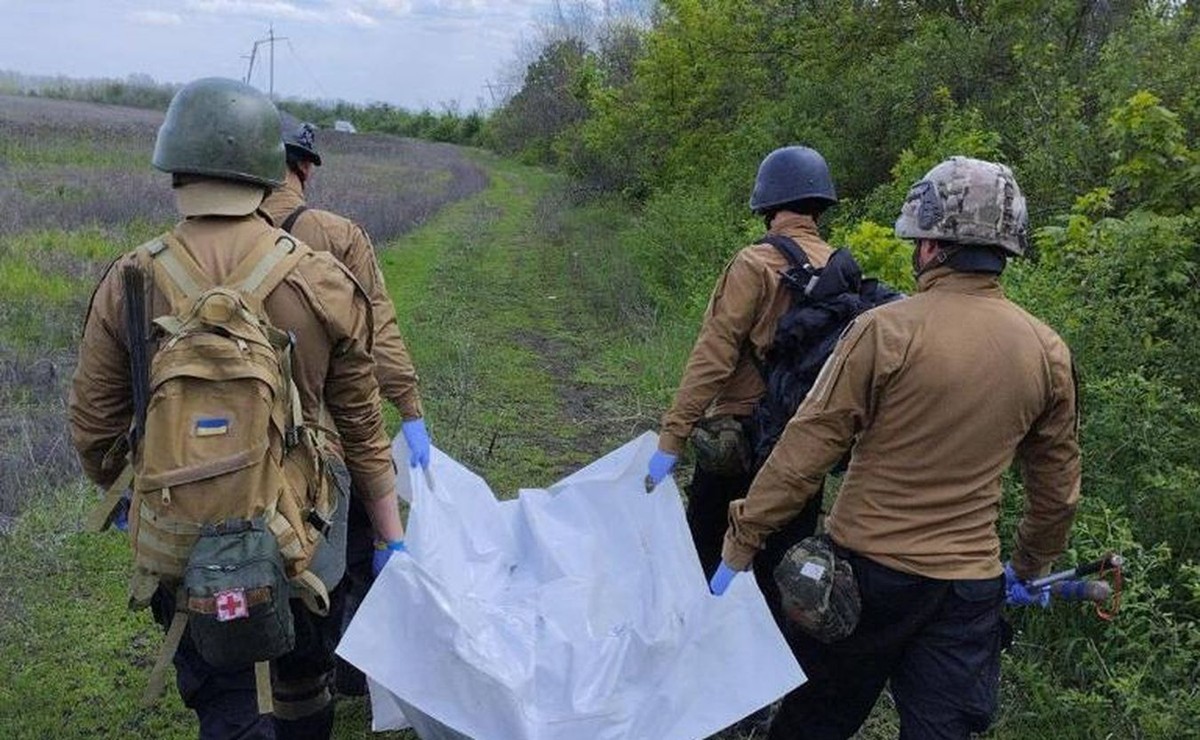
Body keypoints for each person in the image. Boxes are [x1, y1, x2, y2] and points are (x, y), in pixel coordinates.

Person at [68, 77, 406, 739]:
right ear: (268, 167)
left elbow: (94, 428)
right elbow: (365, 429)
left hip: (185, 543)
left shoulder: (130, 279)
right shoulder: (320, 279)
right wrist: (390, 536)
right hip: (305, 536)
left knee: (223, 694)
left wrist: (145, 500)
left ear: (174, 165)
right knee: (304, 684)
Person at [716, 156, 1082, 739]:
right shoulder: (1046, 350)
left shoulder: (885, 330)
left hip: (867, 578)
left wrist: (743, 541)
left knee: (814, 722)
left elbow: (804, 449)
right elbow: (1057, 492)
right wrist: (1029, 566)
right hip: (968, 593)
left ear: (932, 247)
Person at [645, 145, 897, 618]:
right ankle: (766, 671)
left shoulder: (754, 264)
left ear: (766, 203)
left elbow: (713, 357)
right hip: (802, 446)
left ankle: (695, 659)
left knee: (703, 560)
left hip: (738, 442)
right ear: (820, 204)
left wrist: (672, 436)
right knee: (782, 570)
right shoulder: (843, 270)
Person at [261, 112, 430, 696]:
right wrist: (409, 410)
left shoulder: (201, 240)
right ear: (303, 168)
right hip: (325, 443)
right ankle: (351, 671)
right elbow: (377, 336)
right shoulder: (336, 234)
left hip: (232, 449)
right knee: (354, 551)